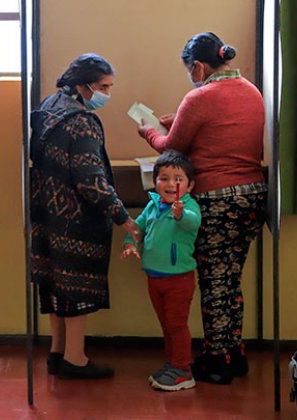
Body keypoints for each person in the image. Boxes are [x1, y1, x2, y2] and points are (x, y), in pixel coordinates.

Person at [136, 32, 267, 384]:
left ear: (198, 66)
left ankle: (218, 361)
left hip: (218, 200)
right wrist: (174, 122)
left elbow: (171, 149)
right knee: (230, 280)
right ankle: (234, 353)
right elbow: (219, 135)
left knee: (213, 281)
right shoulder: (251, 90)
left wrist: (149, 132)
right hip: (252, 198)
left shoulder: (200, 96)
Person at [30, 53, 140, 379]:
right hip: (76, 219)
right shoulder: (81, 121)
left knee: (54, 283)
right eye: (104, 87)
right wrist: (124, 218)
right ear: (84, 85)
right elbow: (91, 180)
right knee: (76, 288)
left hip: (47, 213)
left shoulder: (50, 106)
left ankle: (56, 351)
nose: (108, 93)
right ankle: (74, 358)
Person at [121, 150, 201, 391]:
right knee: (166, 324)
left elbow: (192, 223)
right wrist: (130, 243)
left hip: (179, 279)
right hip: (154, 278)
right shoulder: (152, 205)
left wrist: (180, 215)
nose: (169, 184)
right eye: (163, 178)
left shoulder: (189, 206)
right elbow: (137, 228)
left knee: (177, 324)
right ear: (154, 182)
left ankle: (183, 370)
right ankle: (172, 363)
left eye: (177, 179)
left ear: (190, 185)